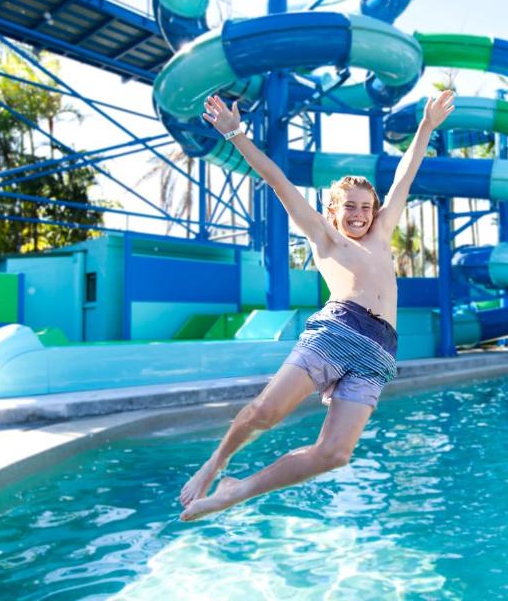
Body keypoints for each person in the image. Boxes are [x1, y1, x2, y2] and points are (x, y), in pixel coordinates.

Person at [179, 89, 455, 521]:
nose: (360, 215)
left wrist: (425, 127)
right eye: (350, 207)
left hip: (380, 353)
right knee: (266, 412)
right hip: (339, 332)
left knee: (335, 455)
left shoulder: (381, 234)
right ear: (332, 210)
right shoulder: (325, 238)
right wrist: (235, 134)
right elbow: (277, 180)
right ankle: (216, 464)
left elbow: (406, 173)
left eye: (367, 208)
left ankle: (236, 491)